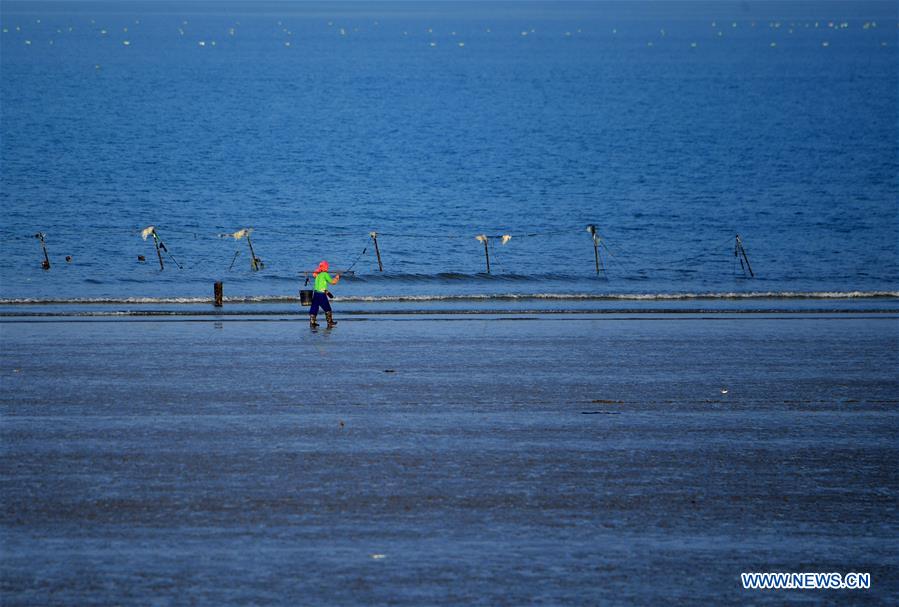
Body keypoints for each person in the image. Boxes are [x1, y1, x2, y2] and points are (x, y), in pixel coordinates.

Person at [309, 260, 340, 328]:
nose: (328, 268)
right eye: (327, 267)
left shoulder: (318, 274)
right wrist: (337, 277)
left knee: (314, 308)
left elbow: (314, 274)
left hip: (315, 293)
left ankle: (312, 322)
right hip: (322, 294)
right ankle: (330, 322)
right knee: (327, 308)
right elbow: (333, 282)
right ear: (326, 267)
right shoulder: (325, 274)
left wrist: (318, 270)